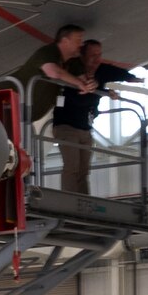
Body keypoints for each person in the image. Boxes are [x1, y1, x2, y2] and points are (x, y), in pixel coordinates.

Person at [50, 39, 141, 196]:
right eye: (93, 55)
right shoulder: (74, 70)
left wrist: (131, 77)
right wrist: (102, 91)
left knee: (84, 170)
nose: (96, 60)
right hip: (66, 126)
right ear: (83, 56)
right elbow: (79, 99)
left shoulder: (100, 70)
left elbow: (114, 72)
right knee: (72, 167)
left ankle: (83, 202)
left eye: (99, 55)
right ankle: (70, 202)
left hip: (85, 128)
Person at [15, 24, 98, 126]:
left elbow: (84, 81)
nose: (81, 45)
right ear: (65, 41)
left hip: (25, 114)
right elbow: (53, 72)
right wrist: (79, 82)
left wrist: (91, 84)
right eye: (78, 40)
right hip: (8, 101)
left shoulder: (74, 62)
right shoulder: (48, 52)